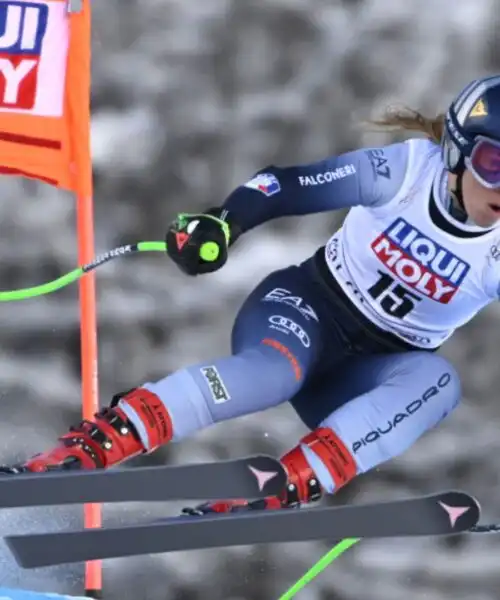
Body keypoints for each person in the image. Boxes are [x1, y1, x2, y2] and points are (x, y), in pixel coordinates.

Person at [4, 74, 500, 516]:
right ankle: (93, 446)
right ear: (456, 153)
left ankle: (284, 486)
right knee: (273, 374)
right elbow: (288, 185)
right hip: (307, 311)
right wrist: (225, 222)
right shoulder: (407, 172)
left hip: (366, 376)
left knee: (438, 383)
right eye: (493, 163)